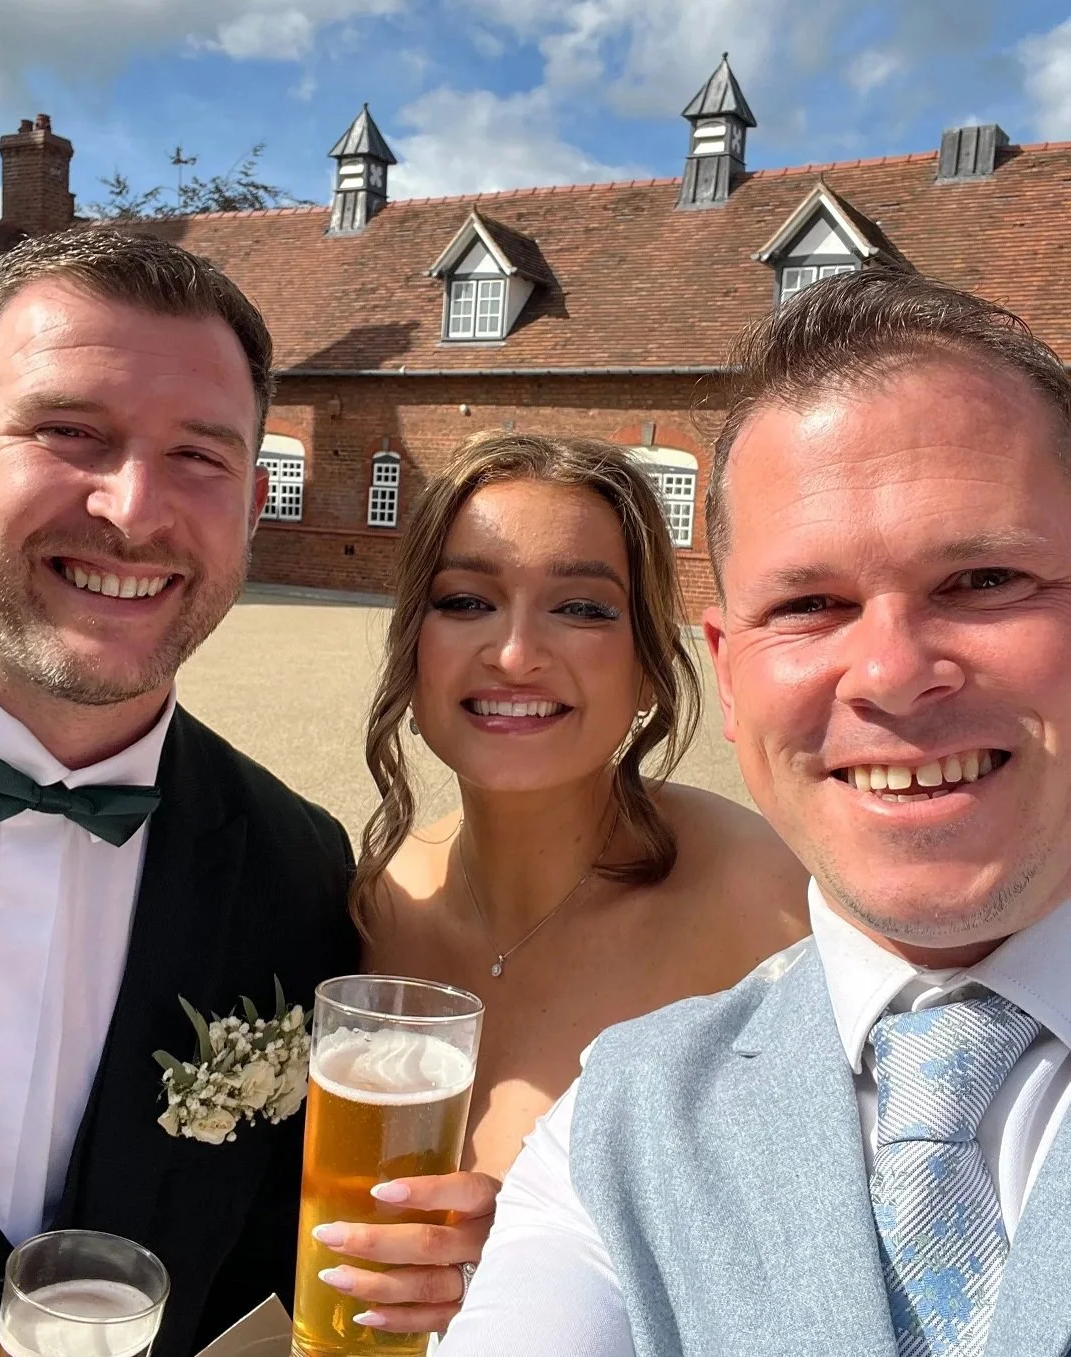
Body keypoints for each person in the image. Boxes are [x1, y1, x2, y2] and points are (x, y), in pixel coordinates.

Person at [433, 267, 1071, 1356]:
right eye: (809, 604)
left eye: (984, 580)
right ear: (727, 675)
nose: (890, 670)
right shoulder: (617, 1129)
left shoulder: (734, 887)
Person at [0, 229, 357, 1357]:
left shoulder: (300, 870)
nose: (133, 509)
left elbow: (261, 1277)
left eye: (200, 457)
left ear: (254, 502)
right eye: (71, 433)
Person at [304, 431, 810, 1337]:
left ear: (651, 666)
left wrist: (557, 1270)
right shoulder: (378, 901)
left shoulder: (763, 901)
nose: (513, 653)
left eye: (581, 607)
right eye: (465, 600)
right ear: (412, 656)